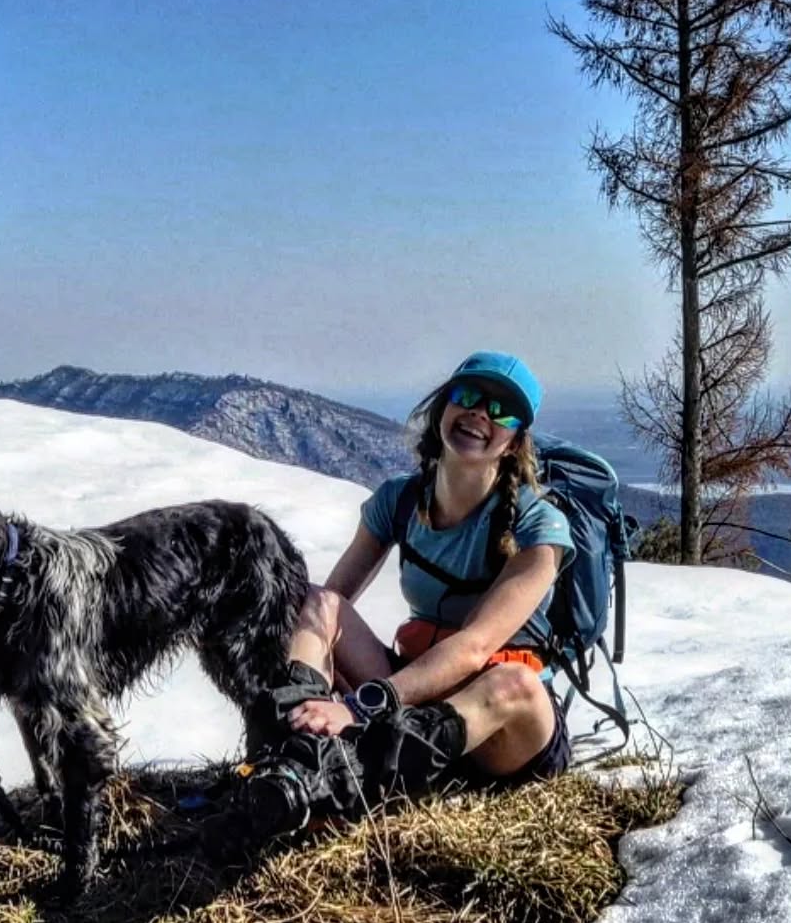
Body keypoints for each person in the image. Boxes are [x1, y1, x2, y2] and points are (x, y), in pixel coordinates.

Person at [235, 350, 574, 840]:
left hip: (500, 731)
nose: (481, 413)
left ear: (515, 440)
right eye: (469, 396)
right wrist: (317, 693)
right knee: (315, 603)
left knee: (514, 682)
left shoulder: (540, 525)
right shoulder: (398, 500)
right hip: (416, 697)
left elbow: (476, 647)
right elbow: (329, 604)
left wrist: (359, 707)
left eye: (501, 410)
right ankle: (290, 755)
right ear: (443, 407)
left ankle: (338, 783)